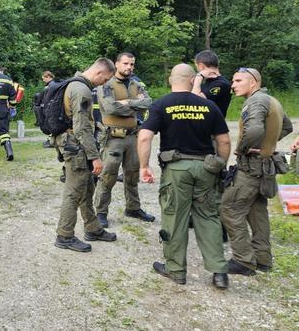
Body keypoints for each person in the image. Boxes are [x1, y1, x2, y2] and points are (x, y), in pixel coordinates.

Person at [138, 63, 231, 288]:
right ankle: (219, 272)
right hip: (205, 168)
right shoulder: (209, 106)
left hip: (176, 170)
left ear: (171, 80)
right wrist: (220, 165)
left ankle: (176, 270)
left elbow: (144, 137)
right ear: (192, 80)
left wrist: (144, 166)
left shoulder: (161, 105)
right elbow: (224, 140)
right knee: (208, 217)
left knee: (174, 217)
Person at [221, 67, 293, 276]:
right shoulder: (272, 100)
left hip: (250, 168)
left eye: (238, 80)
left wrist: (243, 148)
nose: (233, 85)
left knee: (229, 208)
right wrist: (267, 144)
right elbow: (287, 127)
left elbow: (254, 130)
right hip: (265, 168)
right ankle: (262, 259)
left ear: (253, 82)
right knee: (257, 211)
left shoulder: (255, 101)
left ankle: (243, 261)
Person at [54, 58, 117, 253]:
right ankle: (64, 235)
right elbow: (81, 127)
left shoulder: (75, 84)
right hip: (76, 146)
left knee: (87, 187)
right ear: (99, 73)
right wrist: (95, 156)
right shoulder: (81, 90)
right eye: (105, 79)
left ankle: (93, 228)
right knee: (74, 191)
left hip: (73, 143)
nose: (104, 84)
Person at [94, 53, 155, 228]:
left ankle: (133, 208)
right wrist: (135, 103)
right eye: (126, 63)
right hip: (113, 138)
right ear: (117, 64)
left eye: (132, 64)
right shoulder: (106, 84)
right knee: (108, 175)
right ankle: (101, 212)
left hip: (133, 137)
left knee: (132, 174)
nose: (129, 67)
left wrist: (126, 102)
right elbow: (110, 107)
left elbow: (149, 103)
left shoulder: (136, 84)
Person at [192, 50, 232, 117]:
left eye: (196, 66)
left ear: (201, 66)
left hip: (214, 125)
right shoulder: (207, 82)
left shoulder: (221, 84)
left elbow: (194, 100)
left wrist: (198, 78)